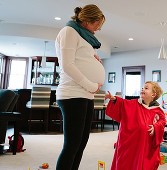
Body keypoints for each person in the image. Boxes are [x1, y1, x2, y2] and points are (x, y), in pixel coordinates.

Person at [55, 4, 106, 169]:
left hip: (85, 95)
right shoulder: (69, 31)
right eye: (97, 24)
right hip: (72, 94)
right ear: (87, 20)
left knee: (81, 144)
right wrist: (90, 85)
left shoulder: (84, 37)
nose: (98, 28)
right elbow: (67, 65)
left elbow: (81, 59)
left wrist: (94, 59)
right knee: (72, 145)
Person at [104, 81, 165, 170]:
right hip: (130, 143)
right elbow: (123, 104)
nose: (143, 89)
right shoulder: (133, 104)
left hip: (145, 146)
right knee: (126, 162)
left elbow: (162, 122)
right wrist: (114, 99)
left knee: (143, 164)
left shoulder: (158, 110)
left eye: (146, 88)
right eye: (142, 88)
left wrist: (155, 127)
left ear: (153, 94)